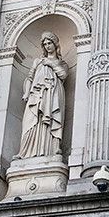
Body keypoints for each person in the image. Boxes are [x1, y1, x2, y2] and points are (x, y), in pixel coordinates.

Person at [16, 32, 67, 160]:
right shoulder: (37, 61)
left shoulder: (61, 63)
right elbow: (29, 77)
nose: (47, 46)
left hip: (53, 93)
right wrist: (27, 92)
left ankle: (53, 148)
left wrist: (51, 64)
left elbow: (63, 75)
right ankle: (25, 151)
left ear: (55, 45)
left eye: (49, 43)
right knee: (31, 119)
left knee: (52, 119)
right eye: (45, 44)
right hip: (37, 94)